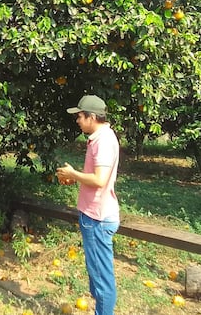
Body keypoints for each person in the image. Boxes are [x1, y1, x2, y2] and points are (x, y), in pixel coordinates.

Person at [56, 94, 120, 315]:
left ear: (92, 117)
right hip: (94, 216)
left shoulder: (103, 141)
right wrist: (74, 177)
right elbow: (95, 177)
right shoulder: (100, 138)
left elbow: (100, 180)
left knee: (102, 280)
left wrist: (74, 173)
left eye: (80, 116)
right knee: (97, 276)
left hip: (98, 219)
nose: (77, 120)